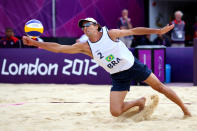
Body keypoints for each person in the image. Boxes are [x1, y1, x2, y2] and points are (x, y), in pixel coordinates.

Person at [22, 17, 191, 117]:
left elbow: (134, 31)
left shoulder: (110, 34)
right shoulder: (85, 46)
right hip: (118, 75)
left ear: (96, 26)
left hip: (133, 66)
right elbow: (59, 48)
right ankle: (139, 101)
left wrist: (158, 31)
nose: (85, 28)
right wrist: (35, 43)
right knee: (115, 112)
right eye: (83, 26)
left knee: (160, 86)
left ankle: (185, 110)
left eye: (88, 25)